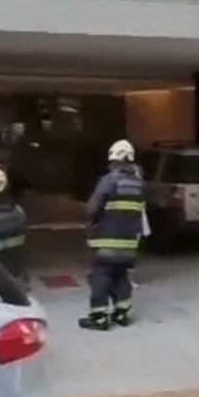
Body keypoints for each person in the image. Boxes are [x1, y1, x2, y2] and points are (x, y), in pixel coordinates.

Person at [79, 139, 145, 331]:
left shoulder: (109, 180)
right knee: (121, 275)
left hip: (107, 241)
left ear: (113, 159)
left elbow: (92, 209)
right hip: (130, 242)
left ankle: (99, 317)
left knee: (101, 275)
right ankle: (122, 312)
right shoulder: (139, 183)